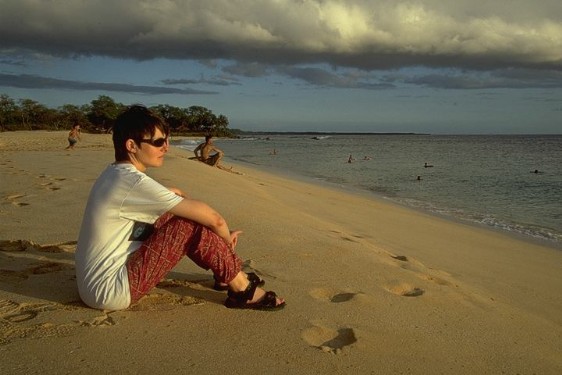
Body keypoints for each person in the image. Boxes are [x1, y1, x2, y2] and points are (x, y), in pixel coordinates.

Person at [75, 105, 285, 311]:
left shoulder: (116, 174)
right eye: (158, 142)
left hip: (95, 285)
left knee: (177, 212)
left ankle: (227, 274)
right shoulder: (133, 183)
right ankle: (241, 288)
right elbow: (214, 219)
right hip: (111, 291)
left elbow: (160, 199)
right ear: (132, 145)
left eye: (166, 140)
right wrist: (226, 240)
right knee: (189, 224)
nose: (166, 147)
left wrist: (175, 195)